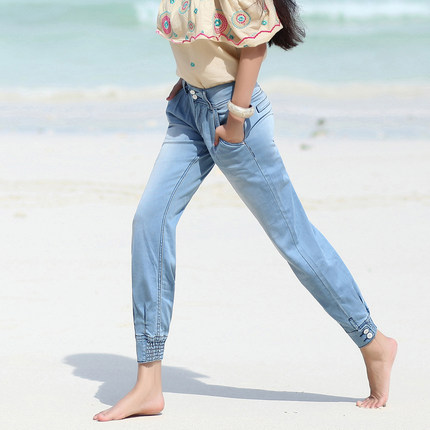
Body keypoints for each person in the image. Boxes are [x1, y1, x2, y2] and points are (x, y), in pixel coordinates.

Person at [93, 0, 397, 421]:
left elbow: (255, 45)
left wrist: (235, 118)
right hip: (189, 109)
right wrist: (189, 79)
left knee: (294, 240)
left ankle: (372, 341)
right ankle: (148, 381)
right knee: (150, 220)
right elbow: (203, 35)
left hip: (233, 117)